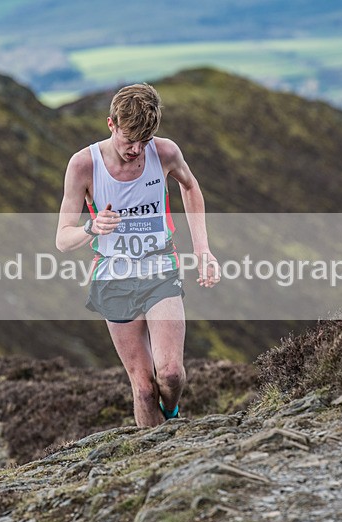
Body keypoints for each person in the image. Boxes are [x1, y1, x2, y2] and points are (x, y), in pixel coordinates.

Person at [56, 83, 219, 427]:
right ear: (111, 124)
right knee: (144, 390)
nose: (136, 149)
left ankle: (172, 416)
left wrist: (202, 249)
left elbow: (190, 186)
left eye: (144, 141)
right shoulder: (84, 165)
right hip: (113, 278)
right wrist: (91, 228)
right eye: (129, 139)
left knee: (171, 374)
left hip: (161, 268)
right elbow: (62, 239)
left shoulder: (164, 152)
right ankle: (155, 457)